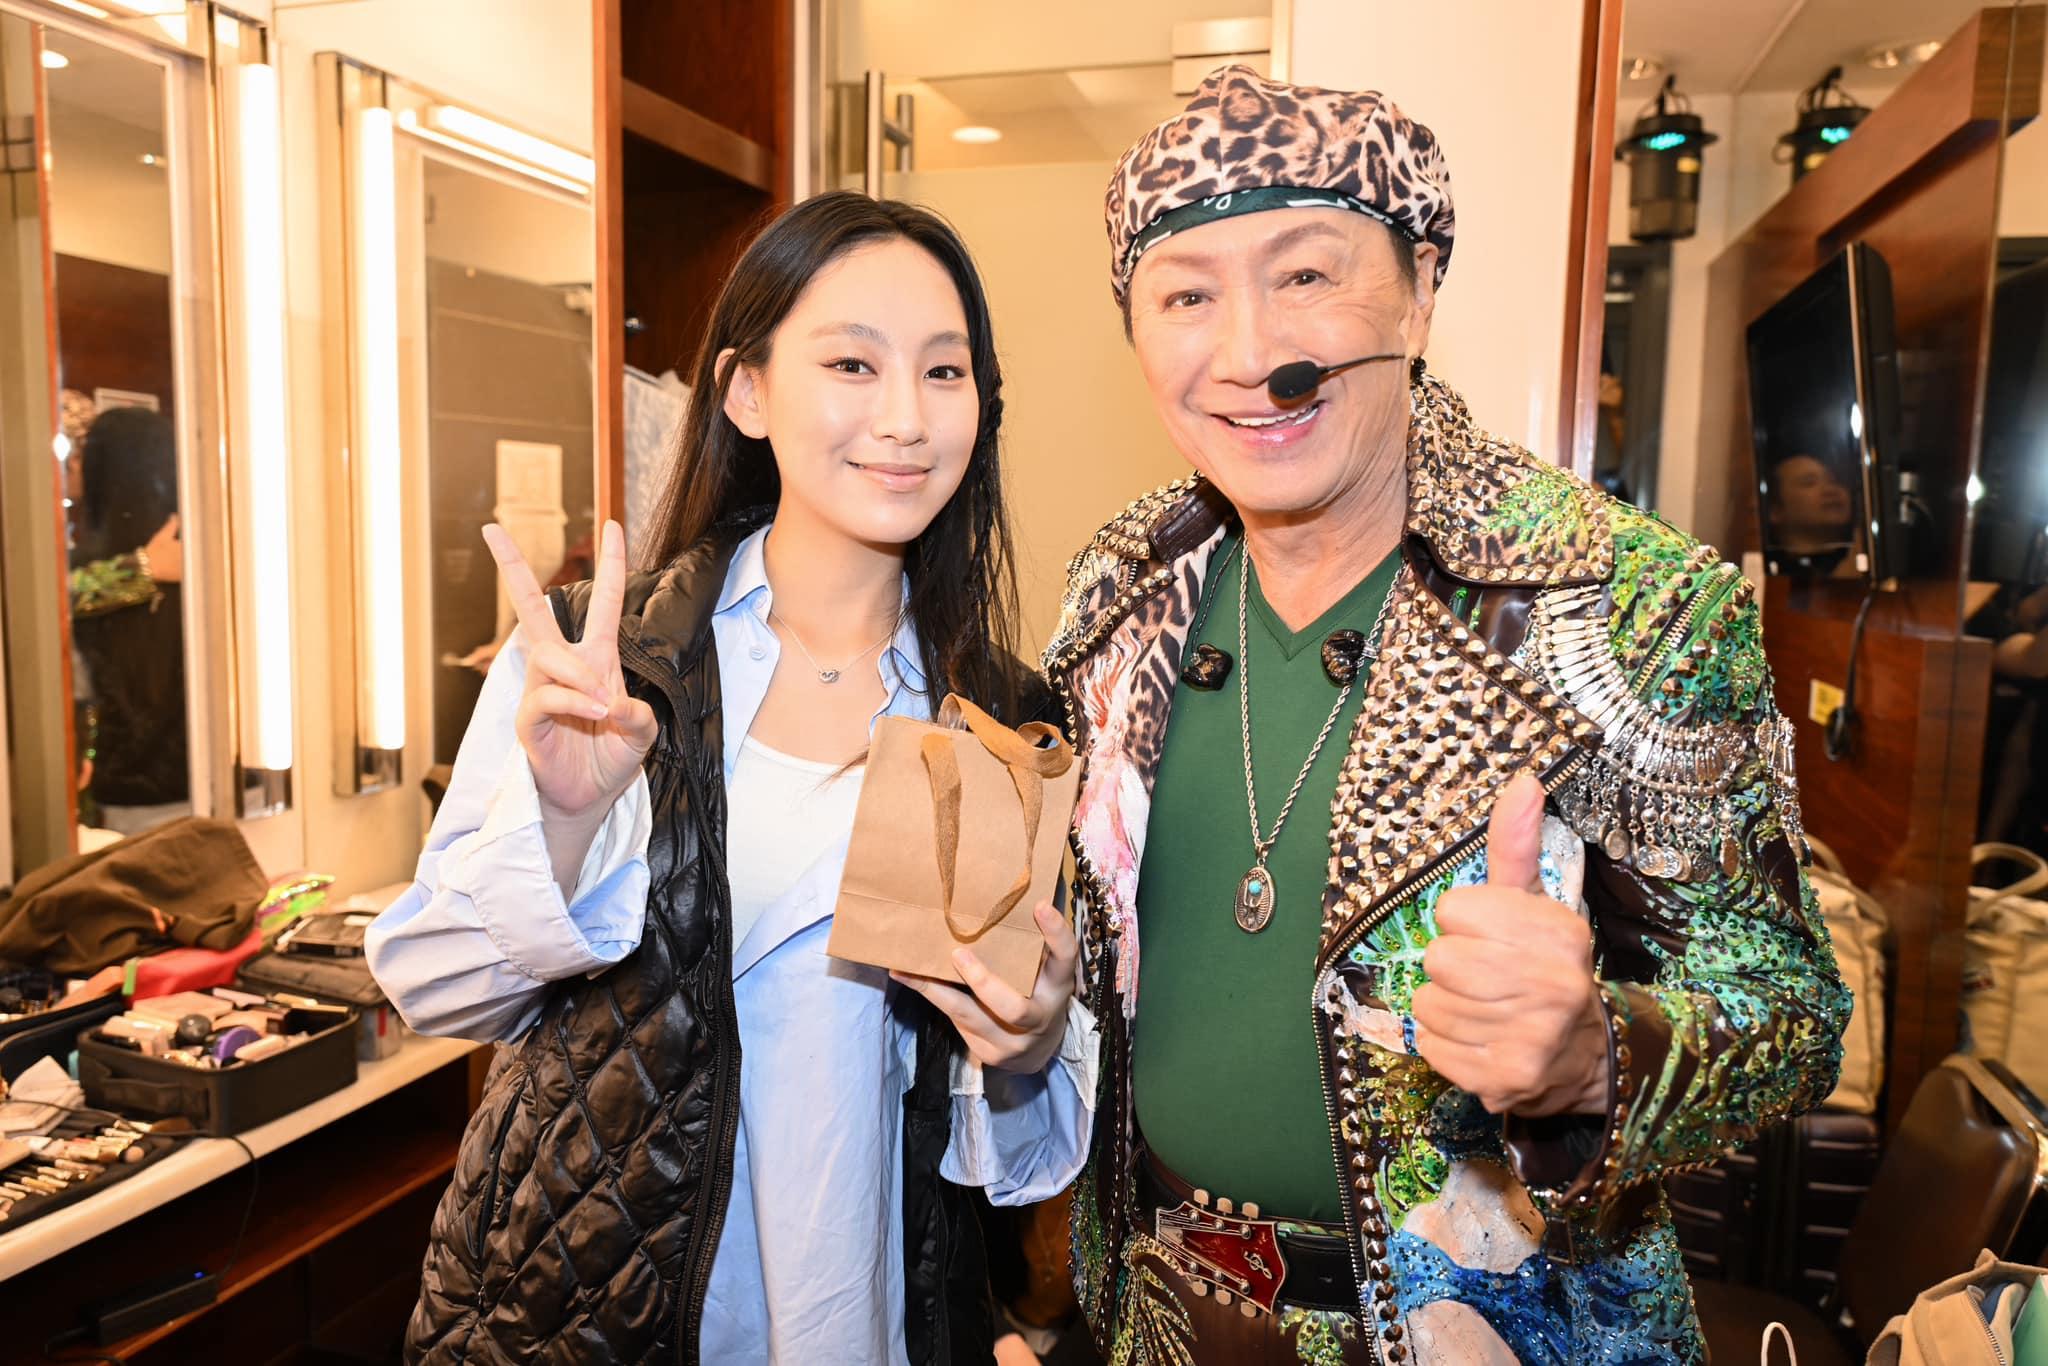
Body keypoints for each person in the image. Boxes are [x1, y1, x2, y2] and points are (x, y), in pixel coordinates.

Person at [1047, 68, 1848, 1363]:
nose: (1248, 354)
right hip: (1157, 1318)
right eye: (1187, 295)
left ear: (1418, 289)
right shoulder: (1116, 590)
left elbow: (1790, 1011)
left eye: (1305, 276)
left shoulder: (1628, 601)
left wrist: (1593, 1058)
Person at [367, 191, 1096, 1364]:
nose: (904, 418)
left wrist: (1027, 1041)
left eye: (944, 371)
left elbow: (1007, 1163)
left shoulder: (999, 719)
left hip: (862, 1314)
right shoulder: (606, 662)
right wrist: (564, 820)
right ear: (746, 392)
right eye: (851, 363)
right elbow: (436, 991)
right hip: (589, 1314)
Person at [65, 406, 189, 835]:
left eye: (81, 455)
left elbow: (38, 607)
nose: (72, 466)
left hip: (130, 796)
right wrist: (141, 570)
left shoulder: (82, 572)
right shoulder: (209, 550)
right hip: (218, 779)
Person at [1764, 451, 1858, 577]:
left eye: (1834, 481)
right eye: (1809, 482)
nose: (1831, 490)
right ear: (1775, 511)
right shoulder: (1765, 577)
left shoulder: (1868, 558)